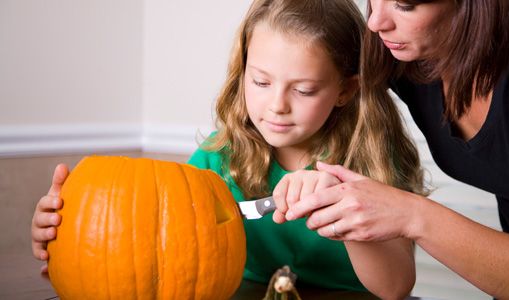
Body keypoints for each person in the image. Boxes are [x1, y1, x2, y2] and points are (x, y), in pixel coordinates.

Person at [31, 0, 427, 298]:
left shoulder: (373, 160)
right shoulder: (218, 157)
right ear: (243, 72)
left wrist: (342, 211)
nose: (276, 106)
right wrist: (69, 235)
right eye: (260, 82)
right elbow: (147, 254)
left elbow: (394, 288)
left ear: (345, 90)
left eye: (303, 90)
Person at [274, 0, 509, 298]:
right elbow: (303, 60)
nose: (376, 21)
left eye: (405, 5)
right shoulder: (406, 49)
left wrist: (412, 215)